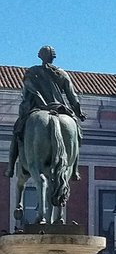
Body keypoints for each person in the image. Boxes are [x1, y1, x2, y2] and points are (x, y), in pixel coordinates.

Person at [7, 45, 86, 178]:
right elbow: (72, 95)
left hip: (38, 108)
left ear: (40, 56)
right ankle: (74, 170)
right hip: (60, 108)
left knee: (17, 133)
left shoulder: (32, 72)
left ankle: (10, 168)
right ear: (53, 57)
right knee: (77, 134)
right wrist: (79, 112)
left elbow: (27, 92)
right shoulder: (62, 73)